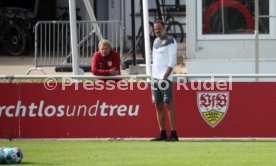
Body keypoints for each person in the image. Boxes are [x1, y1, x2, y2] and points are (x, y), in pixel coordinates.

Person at [151, 20, 178, 141]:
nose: (157, 31)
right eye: (155, 29)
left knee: (168, 104)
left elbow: (172, 61)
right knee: (158, 105)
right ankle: (162, 133)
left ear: (164, 28)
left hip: (165, 79)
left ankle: (173, 134)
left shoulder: (171, 41)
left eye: (159, 28)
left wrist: (165, 77)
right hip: (155, 78)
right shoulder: (155, 41)